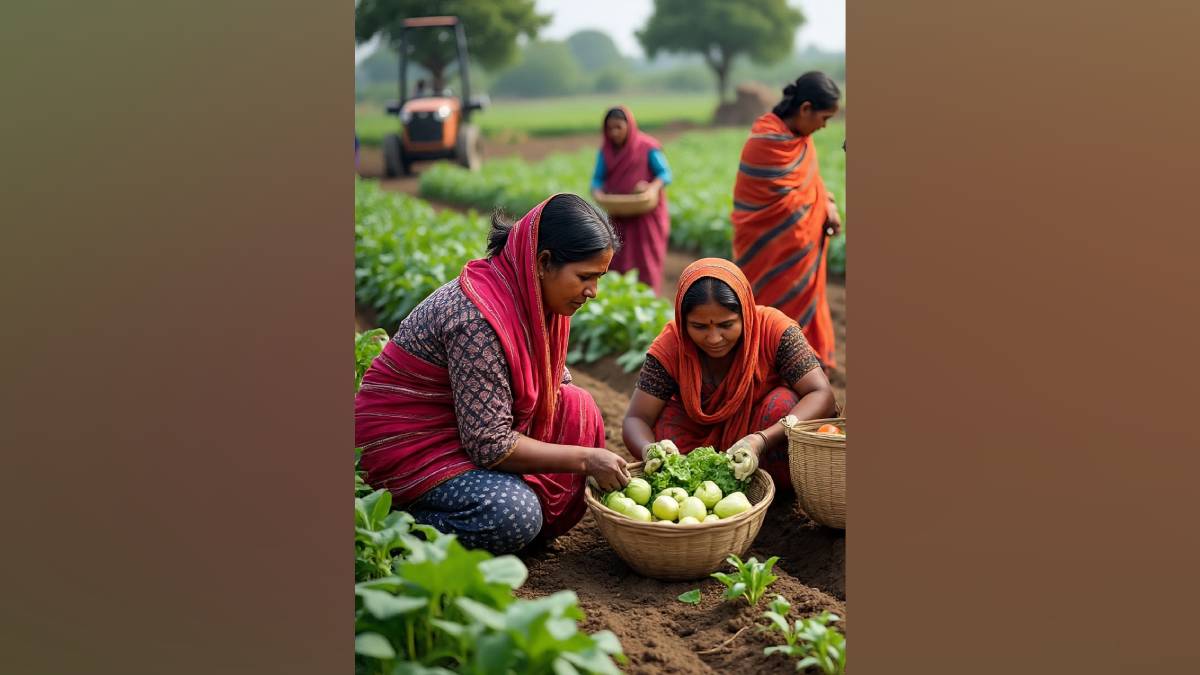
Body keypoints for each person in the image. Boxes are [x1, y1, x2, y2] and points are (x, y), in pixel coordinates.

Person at [355, 194, 631, 554]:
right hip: (406, 445)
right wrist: (585, 459)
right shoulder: (477, 319)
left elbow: (552, 383)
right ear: (543, 262)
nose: (593, 291)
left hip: (461, 429)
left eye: (599, 278)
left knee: (577, 406)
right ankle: (392, 531)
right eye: (585, 277)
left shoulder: (530, 298)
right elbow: (490, 444)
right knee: (511, 514)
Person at [622, 258, 838, 491]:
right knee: (664, 427)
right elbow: (637, 418)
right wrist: (650, 450)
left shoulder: (774, 331)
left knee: (783, 404)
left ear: (745, 313)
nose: (714, 339)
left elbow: (821, 393)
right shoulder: (672, 344)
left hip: (763, 437)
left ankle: (768, 486)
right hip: (697, 443)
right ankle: (697, 485)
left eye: (726, 325)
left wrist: (761, 440)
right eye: (700, 327)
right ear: (683, 322)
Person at [731, 71, 842, 371]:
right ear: (805, 109)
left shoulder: (801, 139)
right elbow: (767, 200)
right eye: (824, 117)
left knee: (798, 317)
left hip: (801, 252)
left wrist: (827, 204)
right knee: (769, 317)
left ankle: (802, 370)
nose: (824, 125)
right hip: (768, 252)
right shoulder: (766, 140)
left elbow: (810, 185)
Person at [591, 106, 673, 294]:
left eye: (618, 127)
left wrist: (651, 187)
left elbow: (665, 174)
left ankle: (648, 298)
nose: (614, 133)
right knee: (617, 258)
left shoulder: (647, 147)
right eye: (610, 129)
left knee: (646, 259)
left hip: (646, 216)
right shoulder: (606, 152)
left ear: (629, 126)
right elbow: (597, 179)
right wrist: (598, 192)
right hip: (618, 213)